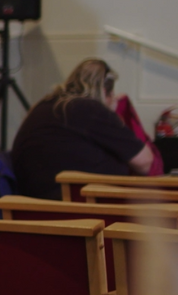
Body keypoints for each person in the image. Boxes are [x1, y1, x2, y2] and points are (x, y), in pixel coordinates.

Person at [12, 58, 154, 200]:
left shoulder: (44, 105)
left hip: (32, 201)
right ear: (105, 92)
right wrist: (113, 113)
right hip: (74, 204)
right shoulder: (91, 109)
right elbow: (145, 162)